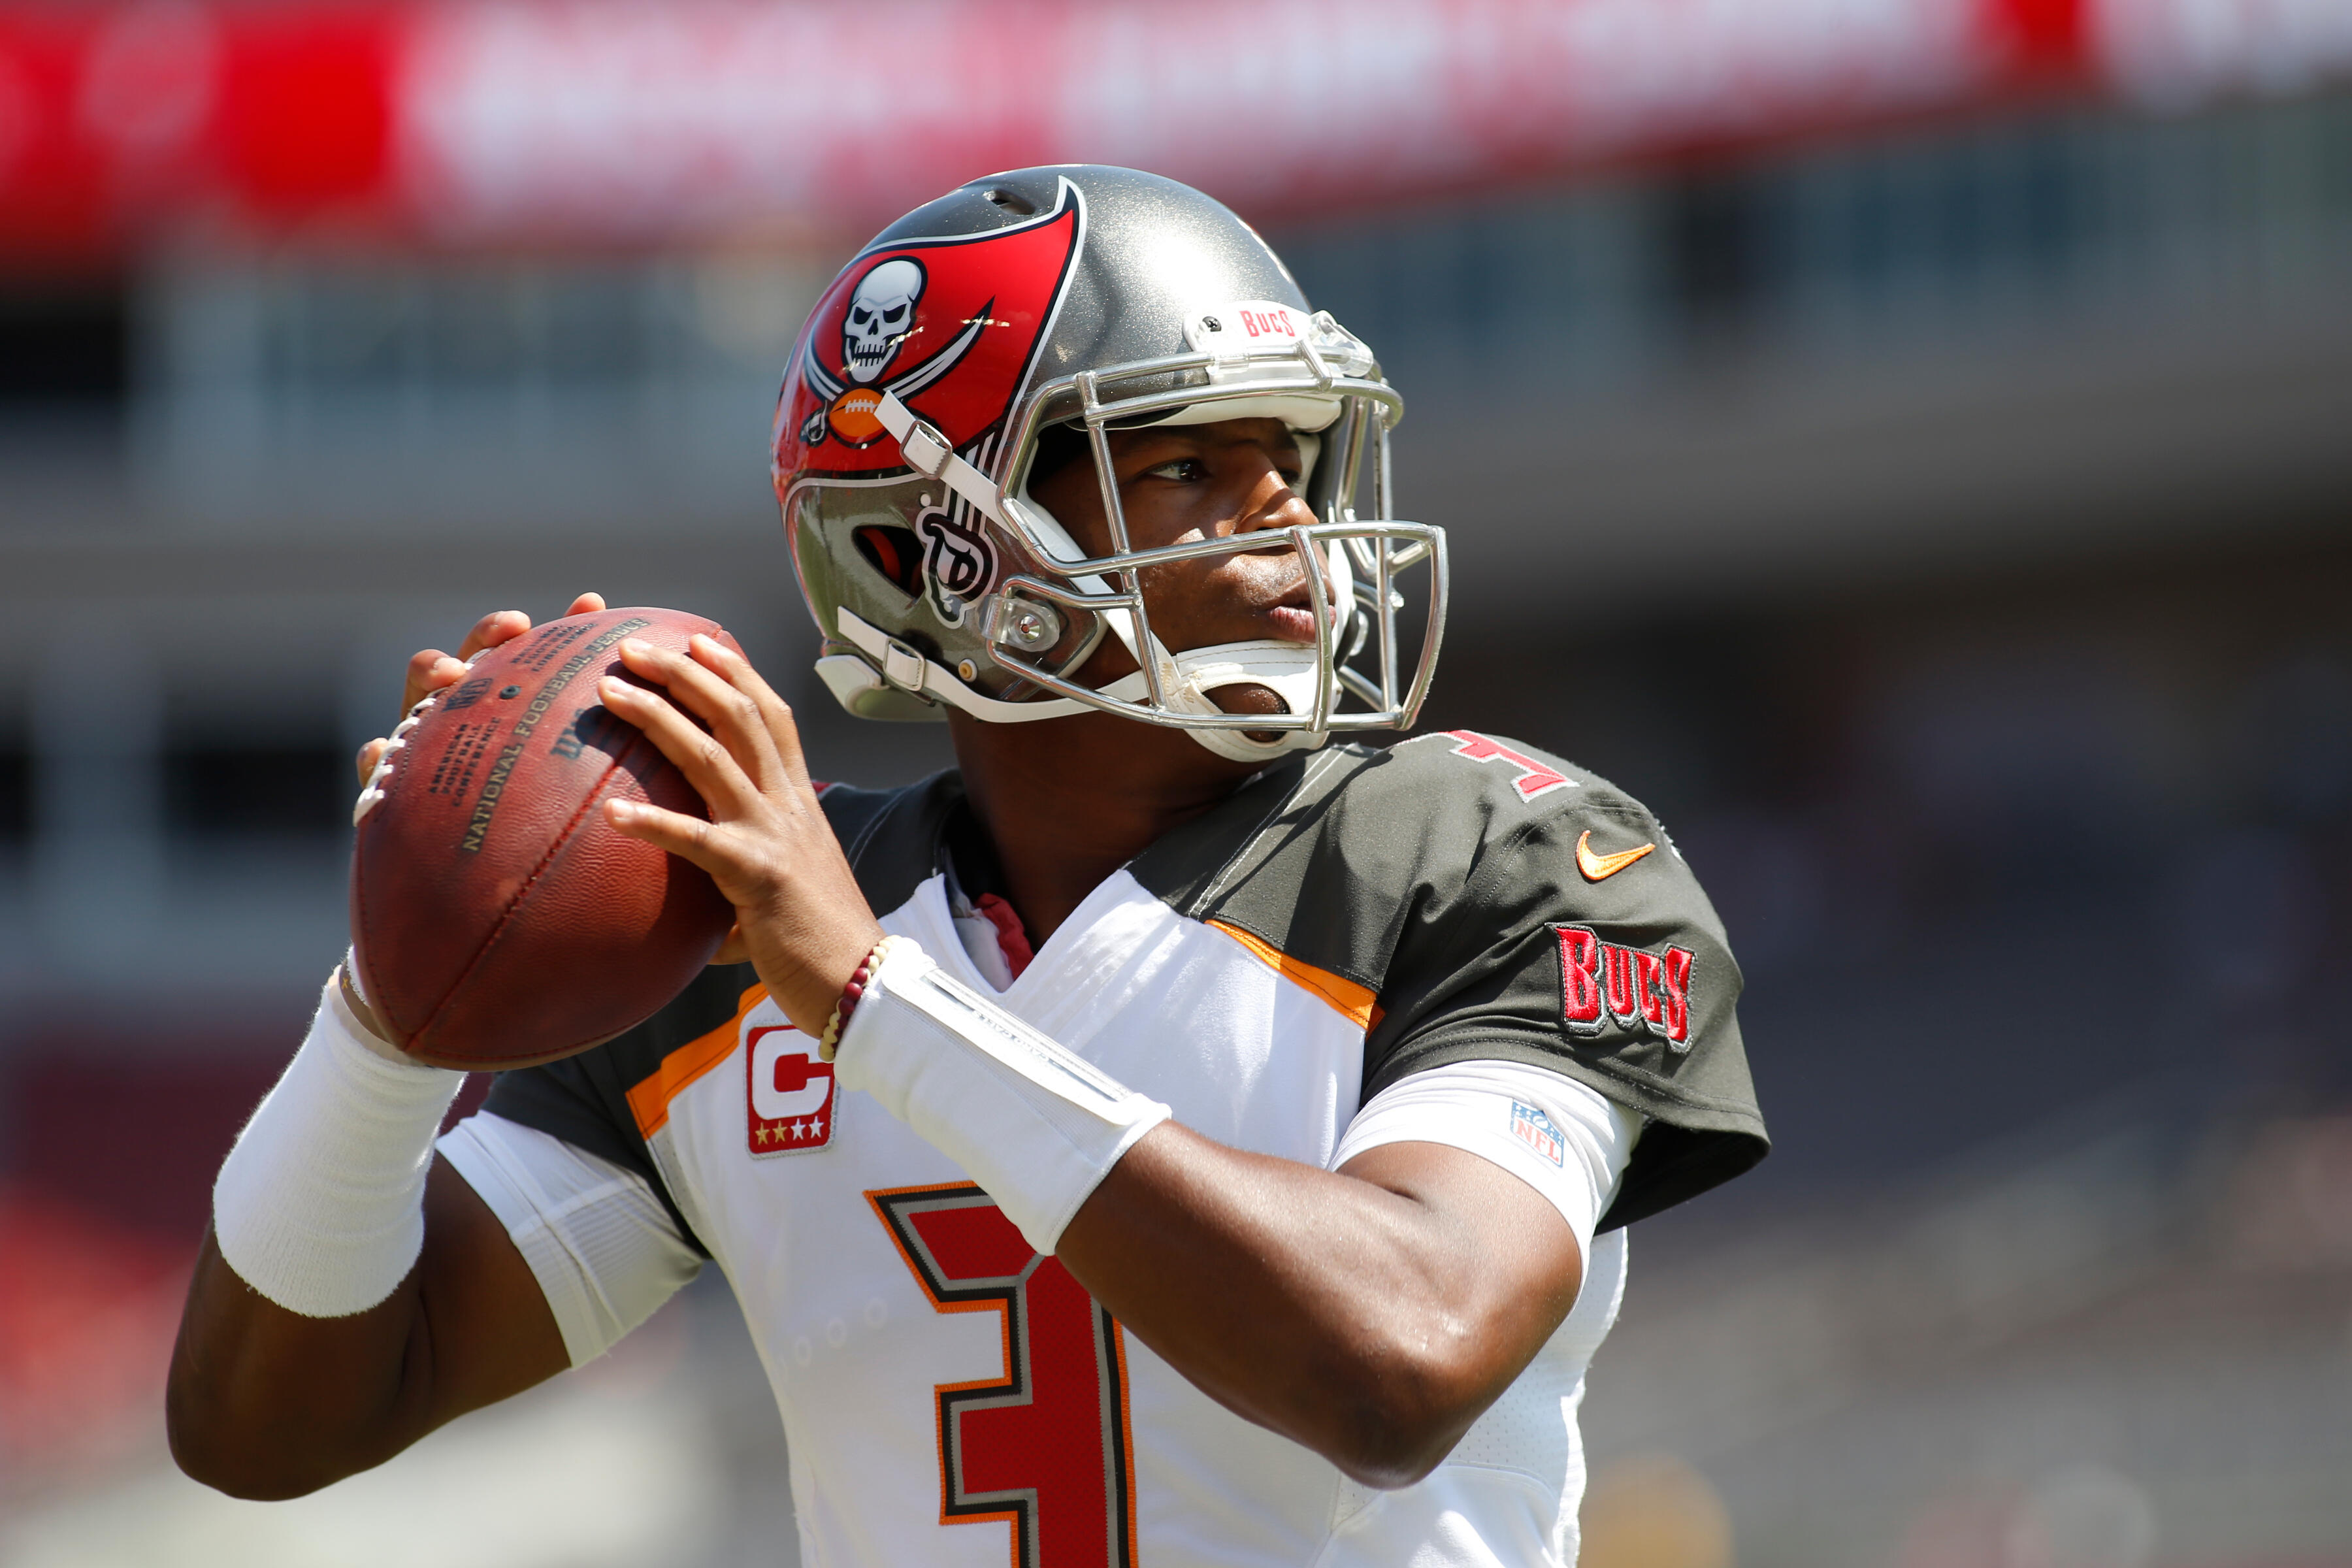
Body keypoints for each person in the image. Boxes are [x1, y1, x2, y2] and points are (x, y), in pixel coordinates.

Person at [170, 167, 1767, 1568]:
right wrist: (389, 1014)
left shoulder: (1494, 852)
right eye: (1184, 466)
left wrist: (873, 997)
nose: (1286, 513)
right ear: (932, 548)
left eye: (1289, 454)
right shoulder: (732, 928)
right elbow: (271, 1426)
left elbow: (1400, 1358)